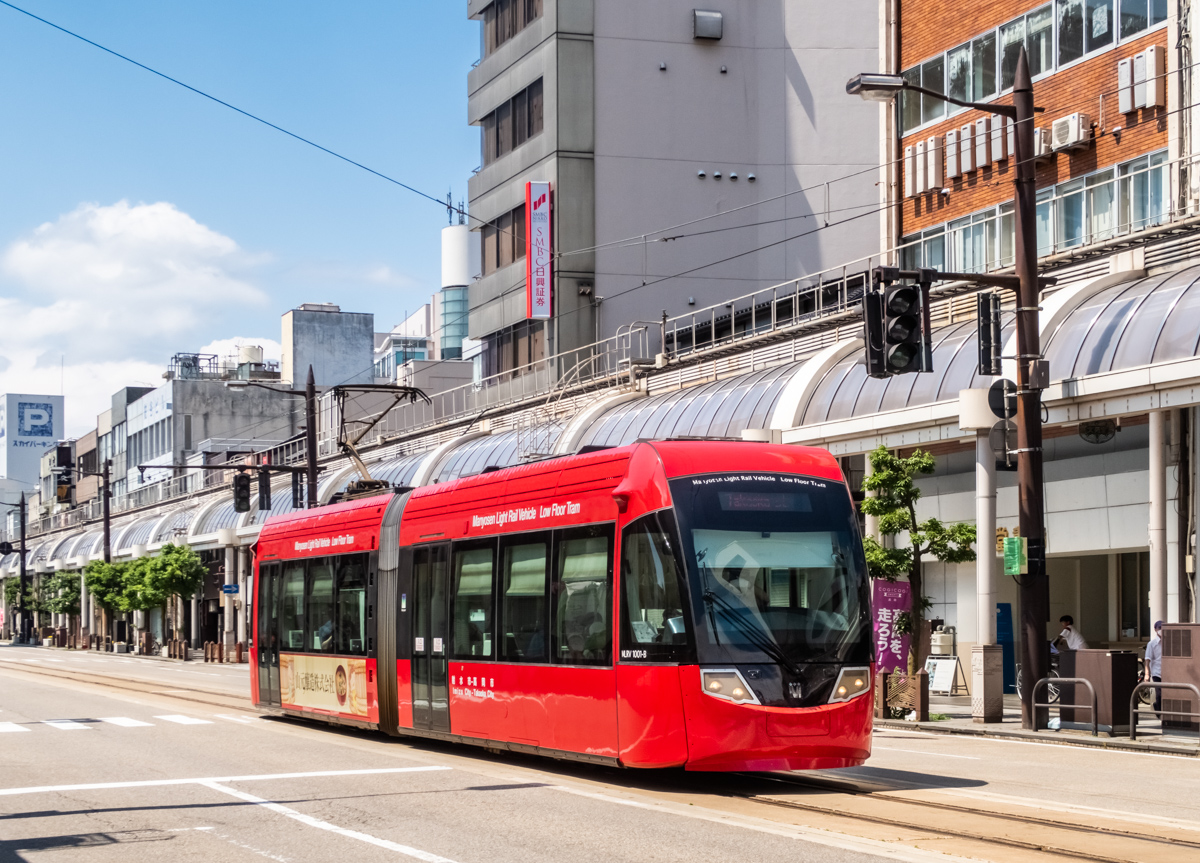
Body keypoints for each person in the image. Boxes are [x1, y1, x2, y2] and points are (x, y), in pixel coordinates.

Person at [1144, 620, 1163, 718]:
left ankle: (1158, 707)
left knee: (1166, 694)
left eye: (1163, 628)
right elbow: (1147, 659)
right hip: (1157, 673)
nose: (1161, 630)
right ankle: (1159, 714)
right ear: (1155, 629)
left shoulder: (1168, 642)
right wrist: (1147, 674)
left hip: (1167, 672)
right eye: (1159, 628)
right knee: (1159, 694)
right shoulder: (1152, 644)